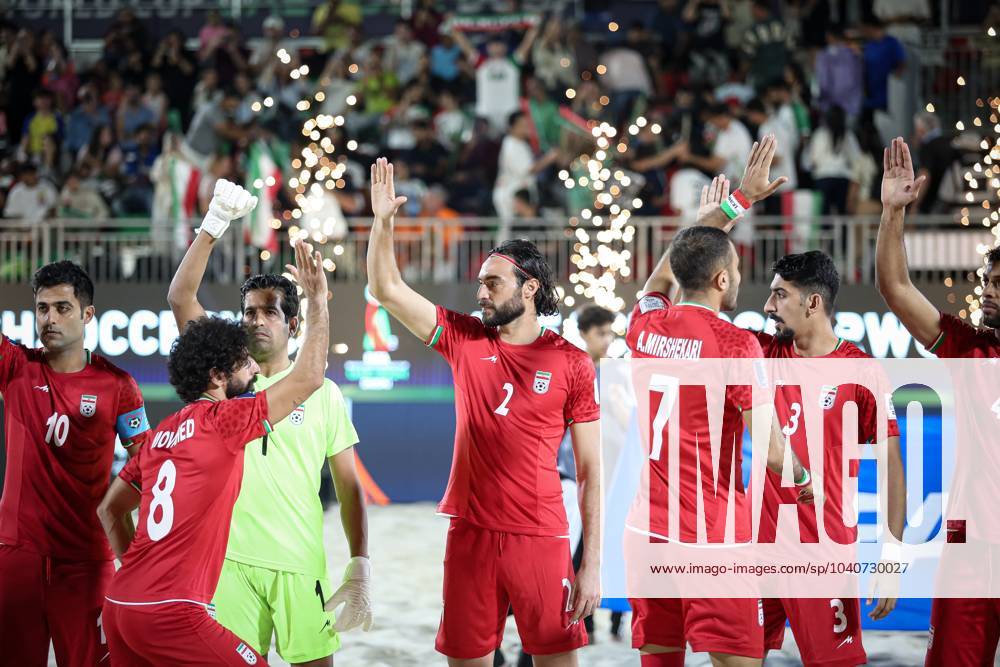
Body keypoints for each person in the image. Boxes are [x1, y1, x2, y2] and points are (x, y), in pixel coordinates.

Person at [367, 157, 601, 666]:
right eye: (480, 283)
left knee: (556, 660)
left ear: (530, 288)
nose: (480, 293)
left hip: (541, 535)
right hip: (469, 532)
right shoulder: (465, 338)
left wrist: (593, 565)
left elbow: (589, 473)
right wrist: (383, 223)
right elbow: (387, 289)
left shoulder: (572, 362)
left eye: (492, 283)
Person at [98, 235, 331, 665]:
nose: (254, 368)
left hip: (122, 604)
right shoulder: (225, 421)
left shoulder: (163, 432)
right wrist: (318, 301)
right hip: (175, 611)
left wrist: (139, 570)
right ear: (220, 374)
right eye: (244, 363)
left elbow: (109, 509)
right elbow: (309, 377)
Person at [167, 180, 372, 665]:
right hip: (228, 565)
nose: (256, 321)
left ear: (294, 325)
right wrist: (213, 226)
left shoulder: (323, 393)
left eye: (270, 313)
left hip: (300, 566)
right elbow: (180, 298)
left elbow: (349, 488)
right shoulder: (222, 375)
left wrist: (360, 563)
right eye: (249, 312)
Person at [627, 137, 813, 667]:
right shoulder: (735, 342)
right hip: (711, 537)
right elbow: (774, 452)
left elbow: (665, 270)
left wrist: (731, 207)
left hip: (647, 532)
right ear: (723, 278)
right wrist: (805, 480)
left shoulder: (644, 325)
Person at [874, 137, 1000, 666]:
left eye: (999, 284)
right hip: (971, 551)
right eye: (987, 280)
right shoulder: (973, 349)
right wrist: (892, 212)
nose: (987, 290)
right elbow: (896, 287)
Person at [0, 261, 151, 666]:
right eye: (42, 308)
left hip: (87, 565)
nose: (50, 318)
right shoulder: (14, 366)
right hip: (17, 560)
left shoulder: (118, 385)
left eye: (62, 308)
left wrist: (120, 516)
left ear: (87, 314)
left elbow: (147, 466)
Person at [803, 105, 861, 215]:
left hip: (823, 179)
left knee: (824, 216)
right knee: (842, 215)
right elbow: (856, 159)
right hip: (843, 179)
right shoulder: (848, 136)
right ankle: (842, 233)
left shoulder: (820, 134)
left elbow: (812, 160)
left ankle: (825, 233)